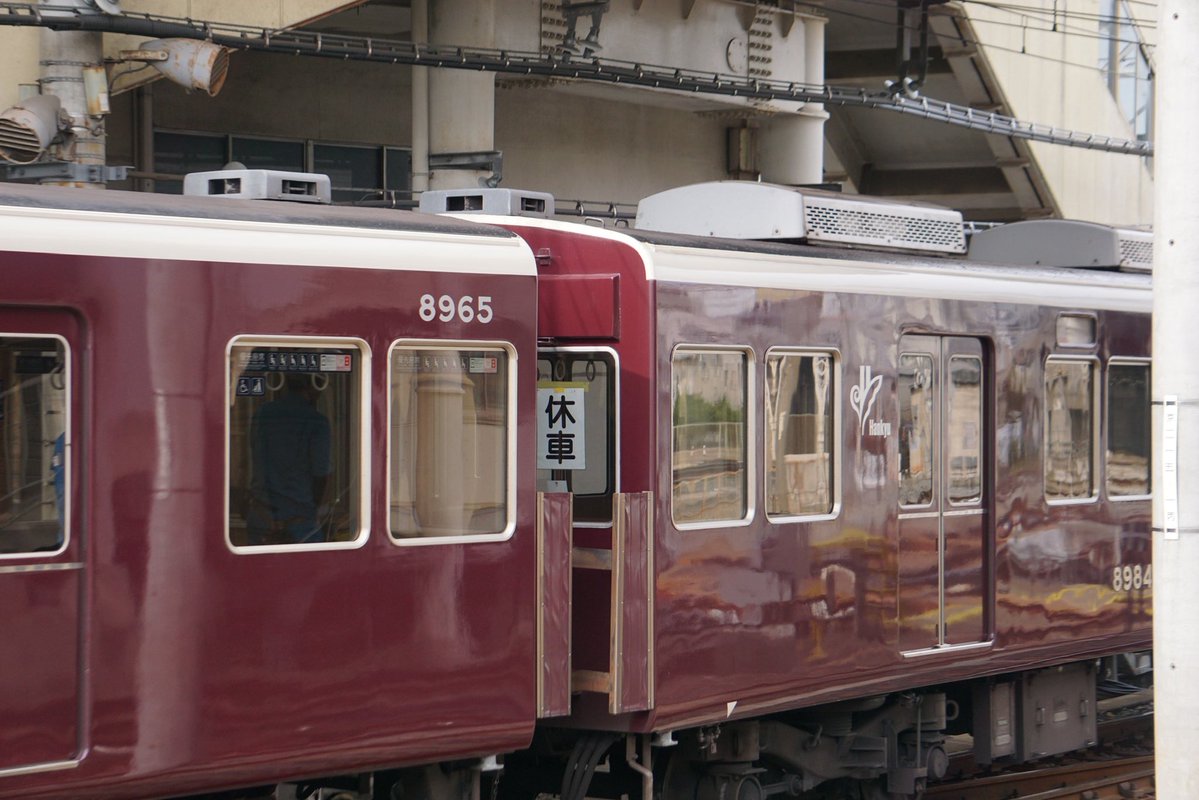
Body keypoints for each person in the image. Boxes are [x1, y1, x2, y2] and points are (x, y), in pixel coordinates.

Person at [248, 373, 332, 545]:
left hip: (261, 515)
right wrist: (316, 510)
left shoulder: (263, 413)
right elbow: (321, 474)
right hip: (300, 522)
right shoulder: (317, 422)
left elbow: (254, 452)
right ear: (313, 386)